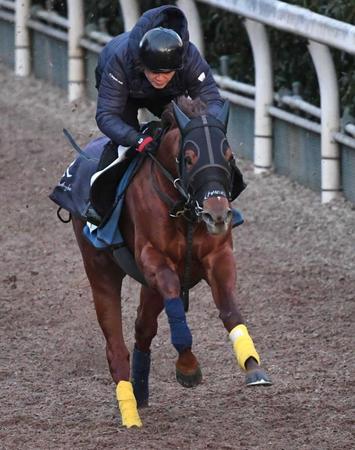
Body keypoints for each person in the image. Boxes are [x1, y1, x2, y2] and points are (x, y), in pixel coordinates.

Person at [93, 4, 245, 225]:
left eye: (167, 73)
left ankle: (222, 200)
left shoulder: (189, 57)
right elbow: (107, 115)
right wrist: (136, 139)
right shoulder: (120, 60)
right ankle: (99, 205)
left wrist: (200, 131)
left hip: (170, 95)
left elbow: (212, 101)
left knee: (204, 143)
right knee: (124, 145)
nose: (160, 78)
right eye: (154, 71)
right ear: (141, 63)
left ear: (179, 65)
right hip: (126, 91)